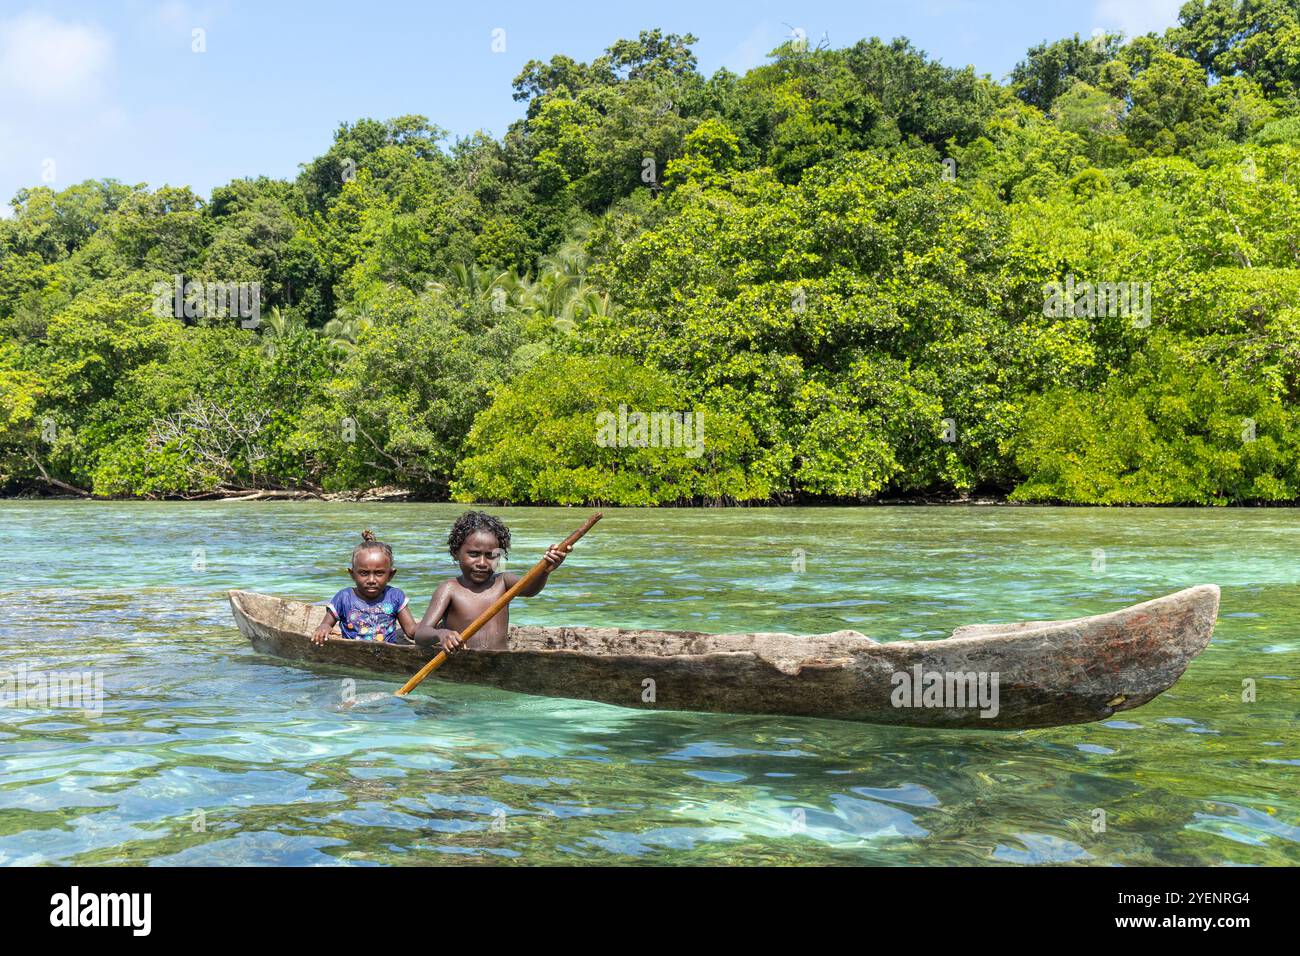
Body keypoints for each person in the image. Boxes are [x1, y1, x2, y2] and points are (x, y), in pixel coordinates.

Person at [414, 511, 567, 654]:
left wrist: (545, 570)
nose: (482, 562)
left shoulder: (503, 582)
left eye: (491, 556)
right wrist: (442, 634)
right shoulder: (450, 589)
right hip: (464, 666)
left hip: (500, 665)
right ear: (455, 553)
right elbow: (421, 634)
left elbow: (531, 589)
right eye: (473, 554)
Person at [312, 530, 417, 645]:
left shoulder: (394, 596)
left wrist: (433, 631)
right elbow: (326, 623)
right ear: (352, 574)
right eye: (364, 573)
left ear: (391, 575)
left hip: (387, 656)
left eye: (379, 573)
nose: (371, 580)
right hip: (352, 654)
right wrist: (323, 628)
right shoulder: (344, 597)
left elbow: (411, 631)